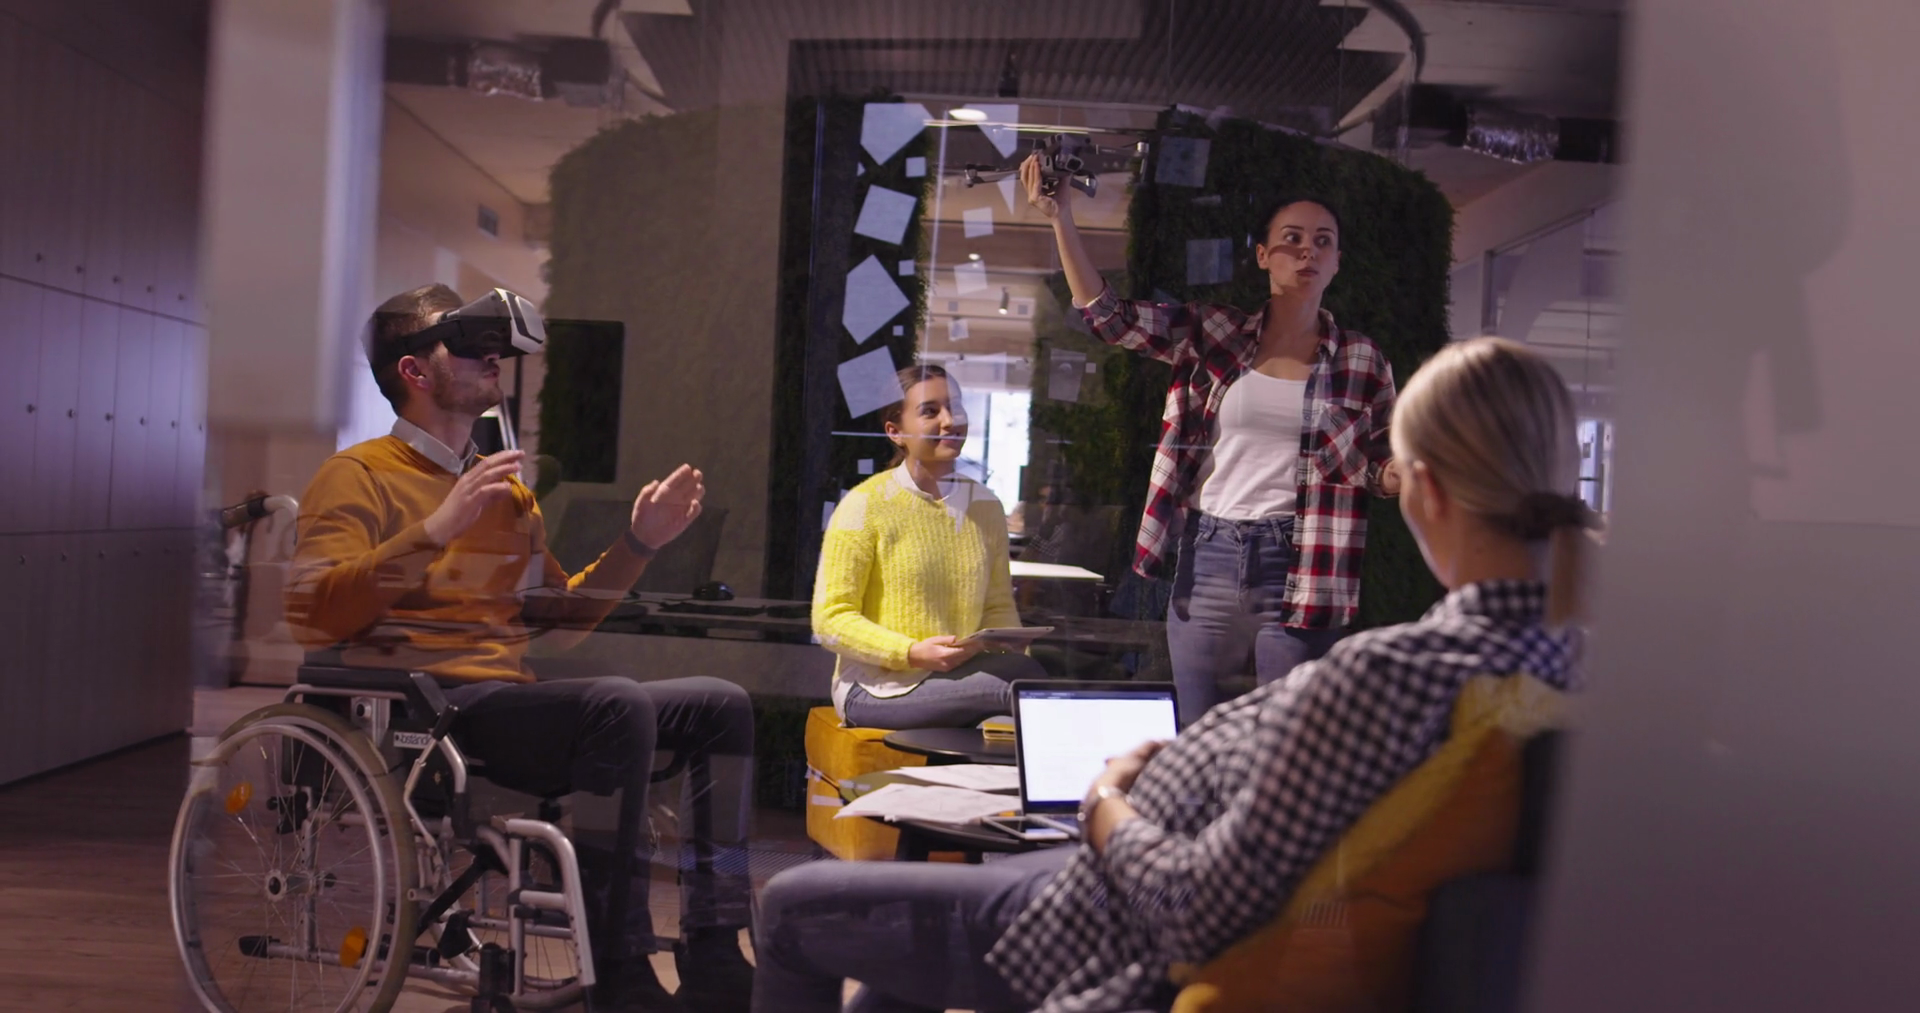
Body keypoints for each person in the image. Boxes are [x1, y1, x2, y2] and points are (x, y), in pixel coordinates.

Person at [751, 337, 1592, 1013]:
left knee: (793, 906)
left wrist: (1108, 805)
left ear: (1429, 492)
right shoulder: (1559, 677)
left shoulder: (1389, 676)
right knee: (902, 963)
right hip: (1114, 866)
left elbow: (1196, 905)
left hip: (1107, 920)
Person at [285, 284, 753, 1013]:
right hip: (425, 715)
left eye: (493, 347)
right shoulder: (357, 475)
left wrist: (639, 543)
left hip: (507, 703)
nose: (492, 357)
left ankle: (717, 948)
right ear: (414, 370)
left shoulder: (505, 493)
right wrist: (434, 530)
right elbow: (312, 613)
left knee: (719, 706)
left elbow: (556, 618)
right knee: (616, 703)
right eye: (470, 346)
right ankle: (619, 969)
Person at [1020, 154, 1402, 727]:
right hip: (1211, 555)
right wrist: (1061, 218)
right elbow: (1110, 318)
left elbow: (1378, 463)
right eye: (1292, 239)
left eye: (1322, 242)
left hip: (1304, 561)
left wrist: (1405, 473)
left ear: (1337, 261)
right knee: (1199, 733)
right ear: (1263, 255)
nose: (1307, 251)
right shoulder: (1214, 333)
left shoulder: (1362, 359)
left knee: (1284, 742)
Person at [813, 364, 1046, 729]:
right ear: (895, 432)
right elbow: (830, 620)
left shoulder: (985, 505)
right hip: (876, 687)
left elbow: (997, 606)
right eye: (930, 411)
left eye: (955, 407)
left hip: (957, 678)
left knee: (1031, 677)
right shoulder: (864, 505)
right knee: (1021, 689)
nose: (950, 421)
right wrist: (910, 652)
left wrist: (1009, 644)